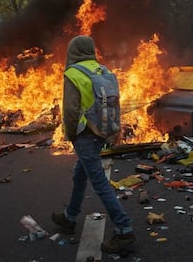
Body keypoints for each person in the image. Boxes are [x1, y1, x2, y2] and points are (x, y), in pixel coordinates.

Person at [52, 35, 135, 253]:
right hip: (101, 131)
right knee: (80, 174)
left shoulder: (73, 73)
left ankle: (124, 230)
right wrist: (112, 131)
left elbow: (70, 110)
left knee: (98, 182)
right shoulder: (103, 70)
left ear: (73, 51)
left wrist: (70, 135)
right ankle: (70, 216)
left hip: (85, 134)